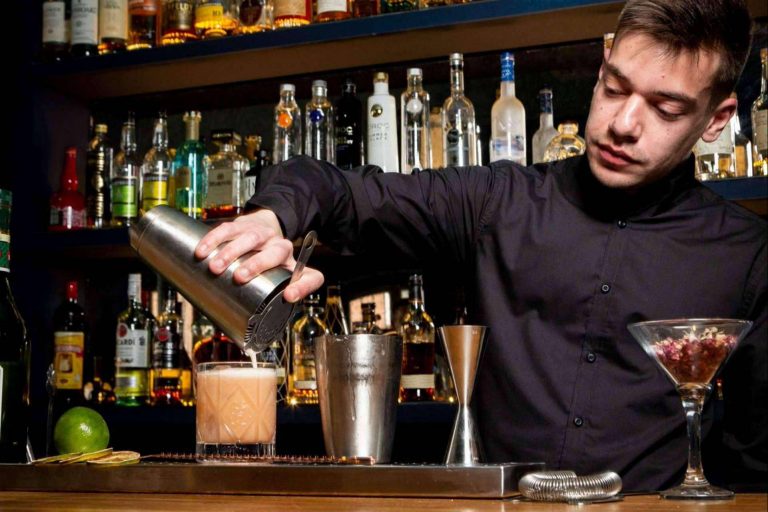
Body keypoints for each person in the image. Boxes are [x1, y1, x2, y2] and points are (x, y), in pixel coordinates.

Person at [196, 0, 766, 492]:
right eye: (614, 88)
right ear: (600, 68)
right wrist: (275, 215)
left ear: (716, 120)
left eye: (666, 109)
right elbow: (338, 190)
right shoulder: (498, 201)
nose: (624, 123)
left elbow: (755, 460)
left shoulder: (748, 256)